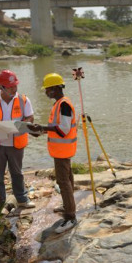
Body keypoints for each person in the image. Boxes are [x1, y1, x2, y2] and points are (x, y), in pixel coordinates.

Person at [28, 73, 78, 233]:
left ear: (56, 88)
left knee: (63, 181)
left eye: (47, 89)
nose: (45, 92)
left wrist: (42, 128)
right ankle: (68, 205)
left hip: (62, 150)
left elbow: (63, 130)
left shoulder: (63, 105)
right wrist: (40, 131)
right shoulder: (59, 104)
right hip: (62, 149)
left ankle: (70, 217)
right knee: (68, 178)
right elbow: (57, 128)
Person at [0, 69, 35, 208]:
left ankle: (22, 200)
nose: (14, 89)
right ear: (1, 87)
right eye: (10, 87)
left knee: (17, 173)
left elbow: (30, 117)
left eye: (15, 86)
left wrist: (24, 124)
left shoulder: (24, 100)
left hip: (16, 143)